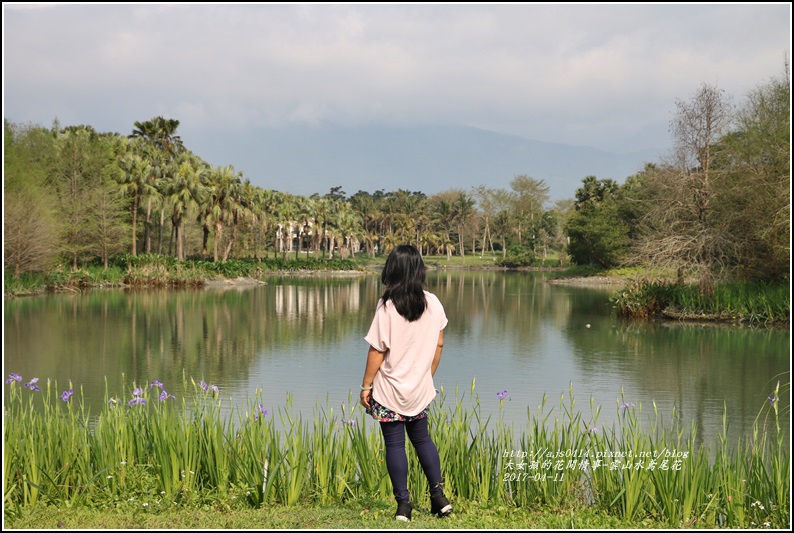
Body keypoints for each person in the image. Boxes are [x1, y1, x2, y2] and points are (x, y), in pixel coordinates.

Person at [359, 244, 453, 522]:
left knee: (395, 446)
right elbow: (439, 344)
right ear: (419, 270)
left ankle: (403, 505)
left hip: (389, 390)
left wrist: (366, 386)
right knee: (422, 439)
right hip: (419, 389)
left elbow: (377, 350)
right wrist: (427, 375)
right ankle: (439, 498)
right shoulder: (433, 302)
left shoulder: (387, 305)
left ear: (392, 270)